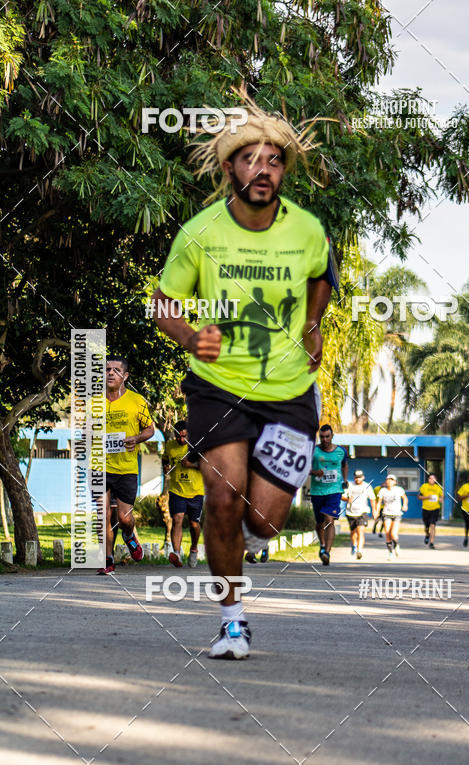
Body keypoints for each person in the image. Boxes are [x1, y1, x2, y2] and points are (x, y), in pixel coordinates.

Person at [151, 94, 336, 658]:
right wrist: (189, 337)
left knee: (264, 522)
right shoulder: (200, 232)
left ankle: (274, 467)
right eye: (251, 158)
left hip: (287, 393)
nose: (263, 168)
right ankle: (233, 621)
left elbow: (320, 279)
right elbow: (164, 304)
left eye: (274, 160)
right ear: (230, 168)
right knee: (223, 498)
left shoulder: (306, 229)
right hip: (218, 382)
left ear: (282, 171)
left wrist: (311, 326)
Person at [97, 357, 155, 575]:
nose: (110, 373)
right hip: (101, 467)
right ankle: (107, 559)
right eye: (106, 370)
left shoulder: (136, 401)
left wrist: (137, 438)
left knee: (123, 518)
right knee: (103, 516)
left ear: (125, 376)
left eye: (116, 370)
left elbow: (150, 429)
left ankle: (129, 535)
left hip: (127, 468)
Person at [162, 420, 204, 568]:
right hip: (177, 490)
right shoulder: (170, 446)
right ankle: (177, 553)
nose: (181, 439)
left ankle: (193, 549)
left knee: (194, 524)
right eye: (178, 436)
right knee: (177, 518)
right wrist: (165, 468)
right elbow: (165, 459)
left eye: (184, 436)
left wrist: (191, 465)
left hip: (196, 492)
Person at [310, 424, 349, 565]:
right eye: (322, 437)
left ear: (332, 436)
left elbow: (345, 465)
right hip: (317, 491)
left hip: (334, 490)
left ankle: (327, 552)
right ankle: (322, 545)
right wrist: (314, 472)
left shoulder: (341, 451)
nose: (325, 439)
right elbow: (304, 468)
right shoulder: (313, 451)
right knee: (320, 523)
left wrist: (345, 480)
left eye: (327, 436)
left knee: (329, 519)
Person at [342, 470, 376, 559]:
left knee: (360, 531)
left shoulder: (367, 486)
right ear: (354, 477)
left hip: (363, 512)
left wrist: (374, 510)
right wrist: (347, 499)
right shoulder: (349, 485)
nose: (358, 479)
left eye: (359, 477)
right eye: (356, 477)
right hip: (350, 512)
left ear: (363, 477)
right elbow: (341, 496)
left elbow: (372, 499)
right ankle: (354, 545)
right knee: (353, 533)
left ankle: (359, 550)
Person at [376, 474, 408, 559]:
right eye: (387, 480)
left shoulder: (399, 490)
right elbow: (379, 502)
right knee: (387, 533)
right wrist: (376, 511)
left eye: (391, 480)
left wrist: (405, 505)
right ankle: (390, 553)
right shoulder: (382, 490)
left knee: (393, 533)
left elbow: (404, 498)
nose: (389, 481)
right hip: (386, 513)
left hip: (397, 514)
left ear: (395, 482)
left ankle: (396, 545)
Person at [418, 473, 444, 549]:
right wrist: (427, 497)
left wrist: (441, 499)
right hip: (425, 509)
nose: (431, 480)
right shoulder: (424, 486)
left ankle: (431, 543)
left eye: (433, 478)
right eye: (430, 478)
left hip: (435, 509)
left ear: (435, 480)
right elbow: (419, 497)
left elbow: (442, 497)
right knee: (426, 527)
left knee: (433, 525)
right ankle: (427, 534)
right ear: (428, 479)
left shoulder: (438, 488)